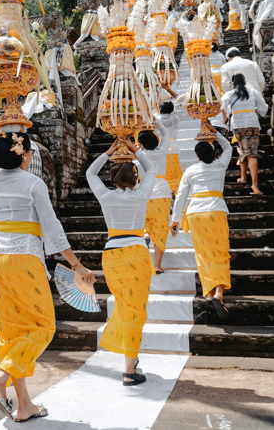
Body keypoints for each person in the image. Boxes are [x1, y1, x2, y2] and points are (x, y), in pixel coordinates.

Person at [0, 131, 95, 422]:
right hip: (22, 258)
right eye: (29, 151)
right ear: (24, 155)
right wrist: (76, 265)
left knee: (14, 329)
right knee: (42, 327)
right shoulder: (34, 184)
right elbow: (51, 227)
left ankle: (24, 406)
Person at [86, 138, 156, 386]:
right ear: (135, 179)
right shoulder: (141, 194)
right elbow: (152, 169)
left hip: (113, 255)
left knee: (126, 309)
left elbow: (90, 172)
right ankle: (129, 369)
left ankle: (130, 359)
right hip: (136, 254)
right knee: (135, 311)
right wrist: (135, 149)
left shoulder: (106, 196)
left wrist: (109, 151)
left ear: (114, 178)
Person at [170, 128, 232, 320]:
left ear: (196, 156)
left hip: (196, 213)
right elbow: (229, 146)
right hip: (216, 210)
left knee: (204, 254)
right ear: (214, 153)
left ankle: (208, 293)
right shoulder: (220, 165)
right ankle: (219, 293)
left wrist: (175, 220)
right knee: (220, 252)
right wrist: (215, 133)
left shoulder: (190, 170)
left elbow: (180, 196)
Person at [222, 73, 269, 196]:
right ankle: (254, 184)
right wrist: (256, 112)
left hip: (237, 124)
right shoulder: (253, 91)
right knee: (252, 153)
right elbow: (264, 107)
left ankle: (245, 178)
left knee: (242, 148)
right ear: (245, 81)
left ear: (233, 83)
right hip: (252, 122)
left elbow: (223, 107)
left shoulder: (229, 94)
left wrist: (226, 118)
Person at [137, 118, 172, 274]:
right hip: (162, 193)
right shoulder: (162, 151)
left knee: (144, 222)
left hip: (144, 191)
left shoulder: (138, 158)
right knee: (161, 228)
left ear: (141, 144)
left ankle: (145, 233)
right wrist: (156, 121)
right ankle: (157, 265)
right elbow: (166, 135)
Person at [157, 101, 183, 195]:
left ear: (161, 110)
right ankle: (173, 189)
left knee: (163, 171)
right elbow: (180, 104)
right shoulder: (175, 118)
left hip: (160, 146)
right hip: (173, 146)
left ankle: (163, 190)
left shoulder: (156, 118)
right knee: (175, 172)